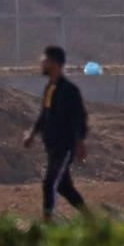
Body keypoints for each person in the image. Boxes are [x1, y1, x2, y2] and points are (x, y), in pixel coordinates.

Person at [23, 44, 90, 221]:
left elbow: (80, 118)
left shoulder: (69, 90)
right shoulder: (50, 88)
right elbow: (44, 114)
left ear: (54, 63)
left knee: (50, 183)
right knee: (64, 186)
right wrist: (32, 134)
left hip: (64, 146)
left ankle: (47, 223)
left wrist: (80, 142)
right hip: (52, 146)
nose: (41, 64)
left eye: (44, 60)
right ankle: (91, 219)